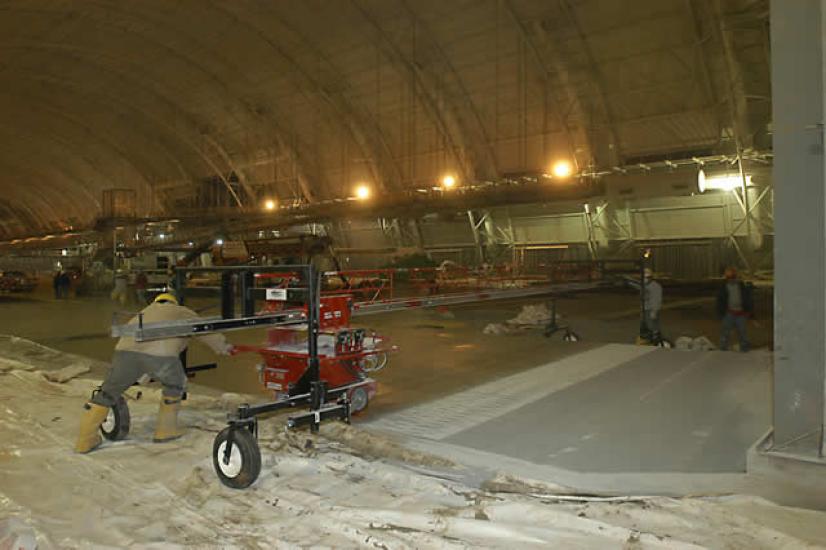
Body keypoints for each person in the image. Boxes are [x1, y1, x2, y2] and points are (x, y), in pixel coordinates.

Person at [75, 292, 236, 453]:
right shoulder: (181, 311)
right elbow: (205, 331)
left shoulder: (144, 312)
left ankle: (85, 440)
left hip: (123, 354)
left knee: (108, 393)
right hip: (160, 356)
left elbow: (138, 352)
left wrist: (143, 375)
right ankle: (166, 430)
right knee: (175, 384)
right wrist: (224, 347)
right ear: (173, 302)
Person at [717, 267, 753, 352]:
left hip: (740, 313)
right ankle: (723, 349)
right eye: (729, 277)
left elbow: (747, 299)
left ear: (736, 276)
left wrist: (749, 311)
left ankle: (744, 349)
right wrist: (720, 312)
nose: (731, 279)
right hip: (729, 313)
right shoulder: (723, 287)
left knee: (742, 332)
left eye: (732, 277)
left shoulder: (741, 286)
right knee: (725, 332)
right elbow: (720, 300)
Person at [642, 268, 663, 338]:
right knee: (648, 326)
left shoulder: (655, 286)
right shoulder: (645, 286)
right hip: (646, 308)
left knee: (653, 326)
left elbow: (656, 300)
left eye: (645, 278)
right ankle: (650, 338)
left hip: (651, 309)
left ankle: (656, 338)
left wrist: (654, 311)